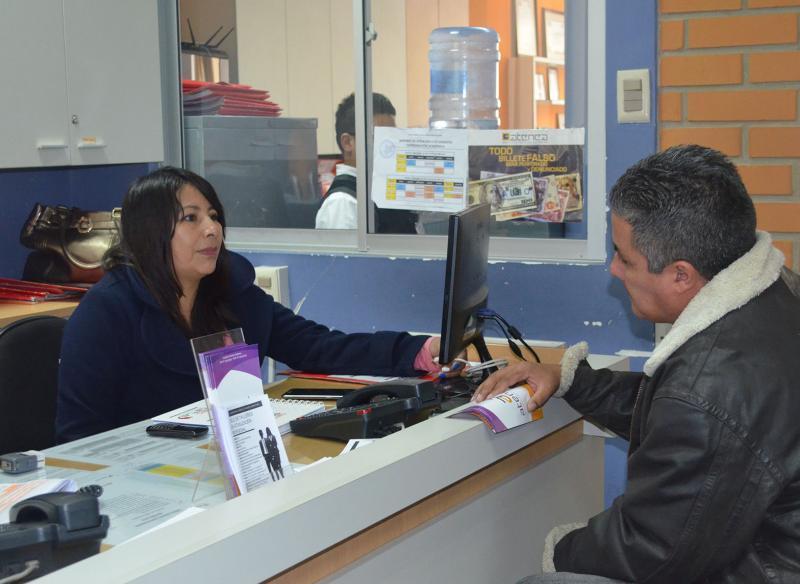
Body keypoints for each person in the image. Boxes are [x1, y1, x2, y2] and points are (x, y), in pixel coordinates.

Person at [473, 145, 800, 584]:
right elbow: (683, 418)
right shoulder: (775, 295)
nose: (614, 269)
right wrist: (571, 380)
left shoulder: (711, 384)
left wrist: (558, 547)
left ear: (681, 275)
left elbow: (650, 551)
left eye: (625, 258)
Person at [56, 167, 443, 443]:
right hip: (143, 479)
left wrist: (418, 349)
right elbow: (78, 438)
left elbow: (318, 346)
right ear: (150, 232)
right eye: (190, 218)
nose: (212, 229)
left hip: (226, 464)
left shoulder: (231, 291)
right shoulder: (106, 313)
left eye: (214, 216)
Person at [315, 92, 417, 233]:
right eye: (380, 137)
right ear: (348, 142)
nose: (389, 147)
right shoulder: (343, 203)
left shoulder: (378, 192)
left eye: (393, 137)